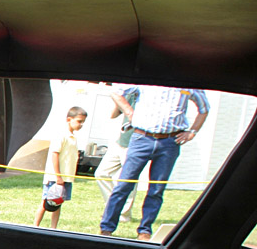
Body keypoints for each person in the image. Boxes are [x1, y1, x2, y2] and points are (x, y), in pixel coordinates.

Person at [99, 85, 209, 240]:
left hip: (170, 141)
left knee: (156, 189)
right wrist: (130, 112)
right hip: (141, 137)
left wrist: (192, 132)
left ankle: (145, 231)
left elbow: (204, 108)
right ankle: (106, 228)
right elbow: (116, 92)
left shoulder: (188, 83)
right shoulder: (148, 80)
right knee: (124, 184)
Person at [34, 106, 88, 229]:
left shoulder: (72, 136)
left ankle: (54, 228)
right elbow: (54, 154)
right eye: (79, 121)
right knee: (46, 201)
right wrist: (58, 176)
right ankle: (35, 226)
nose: (81, 125)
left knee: (58, 203)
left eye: (83, 122)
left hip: (66, 178)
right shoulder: (61, 135)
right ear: (69, 119)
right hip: (55, 177)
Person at [95, 89, 138, 224]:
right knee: (101, 173)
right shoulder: (129, 94)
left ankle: (124, 215)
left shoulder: (146, 99)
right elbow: (113, 115)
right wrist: (121, 101)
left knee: (128, 180)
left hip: (134, 143)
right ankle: (112, 207)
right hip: (120, 141)